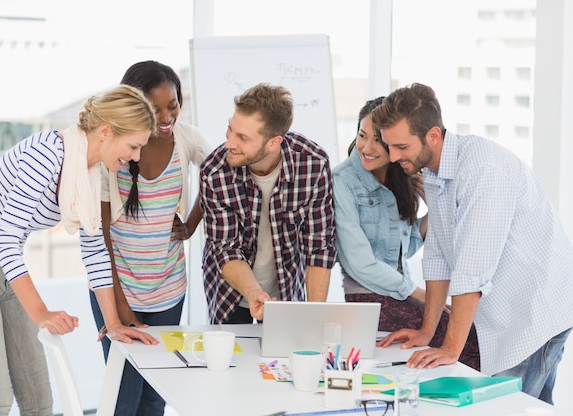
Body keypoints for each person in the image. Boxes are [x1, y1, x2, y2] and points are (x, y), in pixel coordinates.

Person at [0, 85, 159, 416]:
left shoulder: (88, 171)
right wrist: (42, 313)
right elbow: (6, 238)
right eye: (133, 146)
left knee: (38, 397)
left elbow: (94, 249)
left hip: (3, 270)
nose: (135, 156)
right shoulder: (46, 154)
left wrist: (114, 323)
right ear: (105, 131)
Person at [374, 83, 573, 403]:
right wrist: (427, 333)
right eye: (389, 146)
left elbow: (471, 269)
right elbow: (438, 254)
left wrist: (450, 349)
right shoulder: (436, 172)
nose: (393, 156)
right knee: (532, 408)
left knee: (506, 408)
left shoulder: (482, 169)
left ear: (433, 136)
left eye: (401, 146)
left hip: (535, 311)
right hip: (510, 312)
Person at [89, 61, 212, 416]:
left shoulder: (187, 138)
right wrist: (121, 305)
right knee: (123, 396)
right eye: (154, 107)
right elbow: (100, 237)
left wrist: (190, 225)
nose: (165, 115)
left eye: (171, 104)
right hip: (116, 288)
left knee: (156, 395)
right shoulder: (116, 150)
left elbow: (219, 175)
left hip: (168, 290)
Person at [332, 97, 480, 371]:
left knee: (474, 334)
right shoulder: (342, 182)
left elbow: (407, 247)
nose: (367, 147)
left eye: (379, 140)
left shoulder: (401, 174)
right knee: (468, 342)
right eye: (362, 136)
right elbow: (358, 262)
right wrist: (416, 292)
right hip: (369, 299)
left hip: (401, 293)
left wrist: (433, 206)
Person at [199, 83, 337, 324]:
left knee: (282, 358)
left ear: (274, 143)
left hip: (285, 292)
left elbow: (318, 248)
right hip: (229, 293)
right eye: (230, 129)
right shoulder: (214, 172)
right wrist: (253, 293)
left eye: (242, 137)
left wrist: (315, 318)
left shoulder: (313, 164)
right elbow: (225, 249)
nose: (229, 142)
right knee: (231, 359)